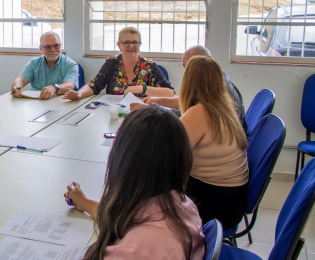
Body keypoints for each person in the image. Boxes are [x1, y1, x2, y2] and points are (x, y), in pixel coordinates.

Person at [65, 106, 205, 260]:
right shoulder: (182, 205)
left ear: (123, 163)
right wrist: (85, 203)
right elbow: (125, 219)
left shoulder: (138, 249)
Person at [179, 56, 249, 229]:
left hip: (215, 209)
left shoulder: (199, 113)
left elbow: (167, 155)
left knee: (147, 197)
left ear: (188, 82)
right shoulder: (224, 107)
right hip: (230, 201)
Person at [131, 45, 247, 132]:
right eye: (185, 67)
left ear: (207, 60)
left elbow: (183, 116)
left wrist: (151, 110)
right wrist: (157, 101)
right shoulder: (215, 79)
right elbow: (187, 101)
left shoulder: (217, 89)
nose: (187, 71)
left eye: (191, 65)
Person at [63, 27, 174, 101]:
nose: (131, 46)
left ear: (139, 44)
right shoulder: (111, 63)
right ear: (119, 45)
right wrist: (79, 94)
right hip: (114, 113)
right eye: (126, 42)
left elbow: (170, 93)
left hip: (141, 116)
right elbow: (94, 85)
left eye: (135, 42)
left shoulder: (149, 66)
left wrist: (142, 89)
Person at [10, 32, 79, 100]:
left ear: (60, 46)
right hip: (37, 103)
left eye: (56, 46)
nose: (52, 50)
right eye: (48, 47)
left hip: (62, 102)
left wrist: (54, 88)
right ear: (41, 49)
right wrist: (16, 86)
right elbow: (20, 79)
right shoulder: (34, 63)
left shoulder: (70, 64)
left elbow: (70, 85)